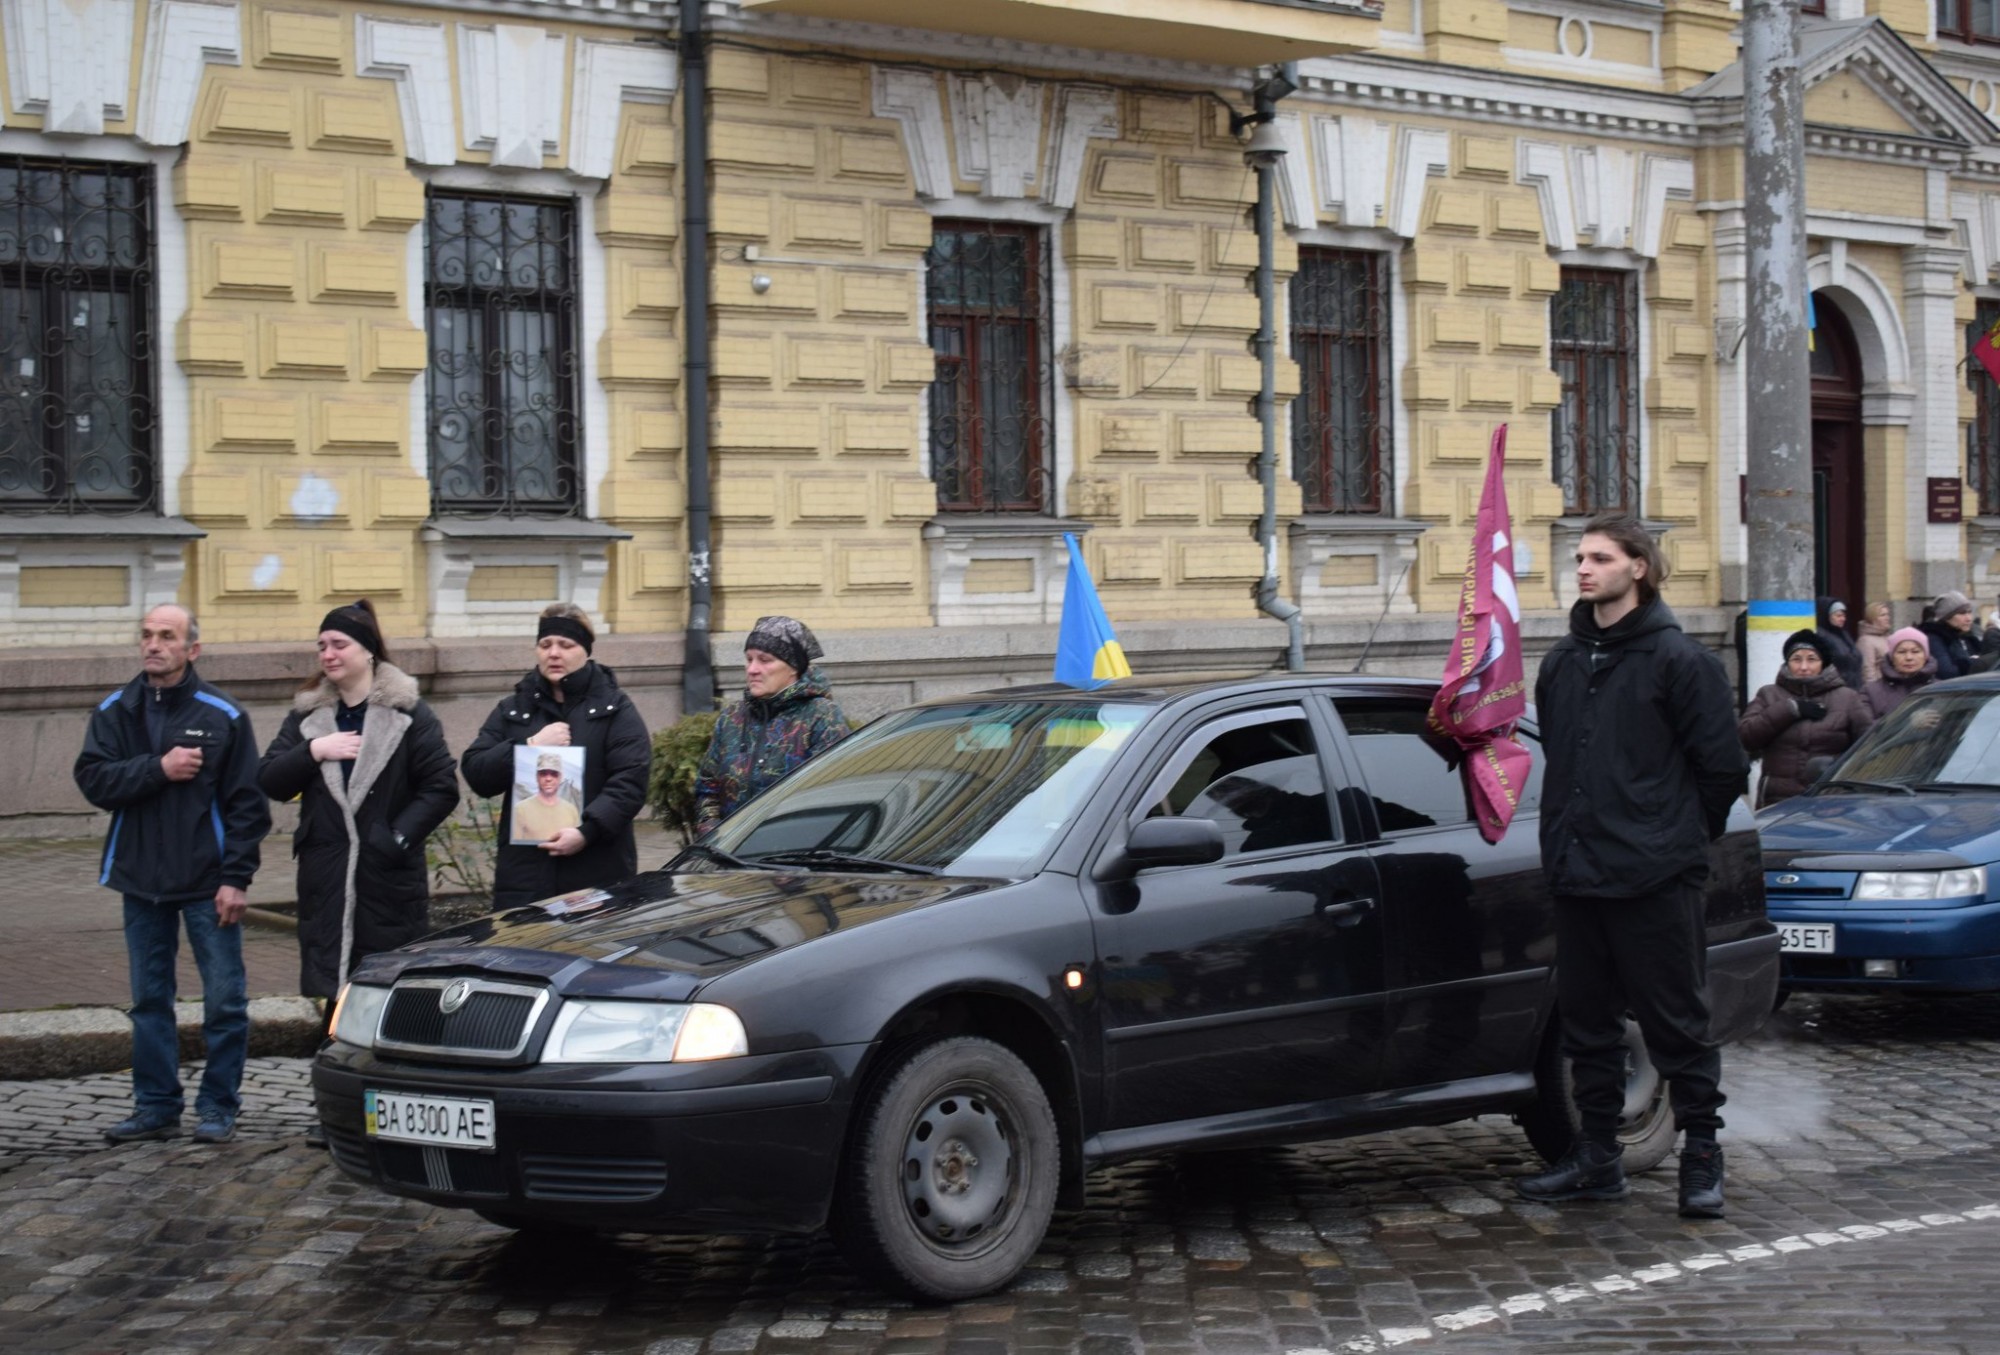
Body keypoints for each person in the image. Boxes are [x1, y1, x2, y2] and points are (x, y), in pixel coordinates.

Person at [1515, 514, 1746, 1220]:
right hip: (1579, 873)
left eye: (1600, 557)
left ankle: (1702, 1153)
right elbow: (1562, 754)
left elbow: (1722, 770)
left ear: (1638, 567)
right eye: (1580, 557)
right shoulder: (1561, 662)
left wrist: (1669, 837)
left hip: (1654, 877)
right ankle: (1597, 1157)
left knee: (1676, 1022)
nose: (1582, 568)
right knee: (1586, 1025)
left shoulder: (1681, 661)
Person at [73, 605, 271, 1145]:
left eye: (166, 636)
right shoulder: (115, 710)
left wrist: (237, 878)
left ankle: (218, 1106)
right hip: (139, 880)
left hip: (208, 883)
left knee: (225, 1001)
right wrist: (157, 768)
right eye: (146, 635)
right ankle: (156, 1106)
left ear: (193, 649)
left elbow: (247, 807)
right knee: (149, 1001)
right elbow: (94, 781)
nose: (153, 645)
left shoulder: (221, 714)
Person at [257, 600, 459, 1007]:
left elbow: (440, 787)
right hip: (326, 876)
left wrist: (396, 839)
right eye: (321, 646)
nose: (327, 655)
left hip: (385, 877)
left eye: (338, 644)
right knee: (331, 994)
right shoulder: (309, 716)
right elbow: (269, 779)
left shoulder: (409, 714)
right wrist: (313, 749)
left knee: (386, 992)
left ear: (368, 650)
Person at [461, 604, 652, 908]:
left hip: (595, 872)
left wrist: (586, 832)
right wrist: (530, 745)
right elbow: (477, 772)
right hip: (525, 876)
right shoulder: (514, 708)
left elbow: (630, 782)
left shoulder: (615, 709)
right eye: (545, 644)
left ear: (586, 651)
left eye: (566, 645)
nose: (554, 653)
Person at [693, 616, 851, 837]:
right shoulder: (732, 718)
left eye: (765, 660)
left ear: (793, 668)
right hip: (729, 858)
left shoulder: (822, 717)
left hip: (791, 860)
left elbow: (831, 796)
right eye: (749, 659)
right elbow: (707, 787)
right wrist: (713, 835)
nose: (752, 669)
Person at [1738, 630, 1875, 807]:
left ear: (1823, 663)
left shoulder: (1847, 698)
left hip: (1830, 800)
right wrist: (1789, 709)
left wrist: (1837, 771)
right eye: (1796, 659)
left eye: (1811, 659)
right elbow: (1746, 737)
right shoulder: (1769, 694)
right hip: (1777, 801)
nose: (1803, 667)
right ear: (1787, 663)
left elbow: (1868, 746)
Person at [1863, 627, 1938, 719]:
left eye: (1915, 651)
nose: (1909, 657)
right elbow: (1865, 728)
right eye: (1901, 652)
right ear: (1892, 658)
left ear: (1925, 656)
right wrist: (1907, 723)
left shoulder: (1942, 689)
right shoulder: (1871, 692)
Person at [513, 751, 583, 840]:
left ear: (560, 777)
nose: (548, 778)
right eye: (543, 773)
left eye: (554, 774)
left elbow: (576, 843)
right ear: (536, 776)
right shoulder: (520, 810)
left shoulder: (571, 810)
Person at [1923, 591, 1978, 680]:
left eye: (1969, 612)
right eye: (1962, 613)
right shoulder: (1934, 638)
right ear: (1947, 617)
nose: (1968, 618)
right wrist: (1975, 662)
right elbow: (1947, 672)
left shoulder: (1967, 638)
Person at [1814, 597, 1864, 692]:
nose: (1843, 619)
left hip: (1854, 689)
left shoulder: (1844, 635)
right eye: (1838, 615)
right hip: (1836, 690)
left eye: (1844, 616)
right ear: (1826, 616)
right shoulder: (1821, 636)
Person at [1856, 601, 1894, 686]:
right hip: (1880, 689)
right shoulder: (1865, 641)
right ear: (1872, 618)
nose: (1887, 618)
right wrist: (1873, 692)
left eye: (1887, 614)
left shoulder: (1888, 637)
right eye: (1882, 615)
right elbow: (1867, 670)